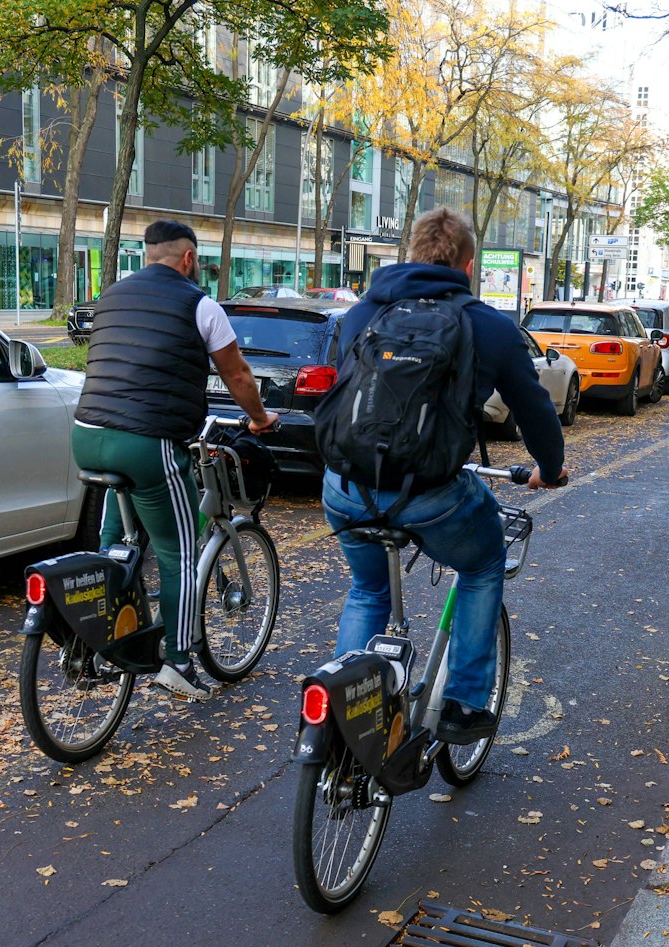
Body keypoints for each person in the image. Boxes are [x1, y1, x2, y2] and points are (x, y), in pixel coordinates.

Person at [321, 208, 566, 745]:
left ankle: (344, 712)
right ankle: (464, 705)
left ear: (409, 253)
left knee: (367, 589)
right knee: (483, 564)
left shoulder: (362, 314)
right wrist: (549, 470)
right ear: (468, 264)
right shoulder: (490, 327)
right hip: (429, 494)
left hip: (346, 487)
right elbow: (535, 411)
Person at [71, 219, 277, 701]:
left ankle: (107, 634)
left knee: (117, 543)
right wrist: (260, 420)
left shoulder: (112, 295)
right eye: (198, 261)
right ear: (188, 259)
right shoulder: (199, 304)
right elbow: (239, 375)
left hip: (87, 434)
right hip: (147, 440)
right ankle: (179, 663)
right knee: (179, 551)